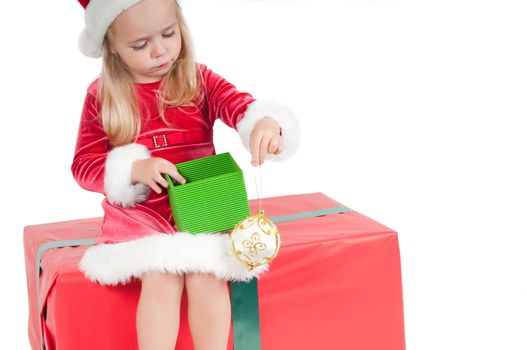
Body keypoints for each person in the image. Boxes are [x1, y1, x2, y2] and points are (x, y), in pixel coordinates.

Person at [71, 0, 300, 349]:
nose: (160, 50)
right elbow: (84, 165)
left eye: (168, 33)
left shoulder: (197, 77)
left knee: (207, 274)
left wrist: (265, 124)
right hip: (144, 217)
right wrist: (133, 168)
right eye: (140, 44)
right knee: (161, 274)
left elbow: (239, 107)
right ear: (112, 48)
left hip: (202, 208)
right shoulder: (102, 95)